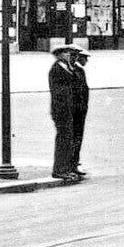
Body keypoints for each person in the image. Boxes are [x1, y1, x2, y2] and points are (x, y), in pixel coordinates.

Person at [48, 45, 82, 182]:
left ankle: (66, 168)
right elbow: (59, 91)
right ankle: (60, 170)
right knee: (64, 138)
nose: (69, 56)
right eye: (67, 53)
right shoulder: (57, 69)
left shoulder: (67, 67)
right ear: (59, 55)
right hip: (61, 109)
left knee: (68, 138)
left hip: (68, 109)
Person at [69, 48, 91, 177]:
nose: (86, 61)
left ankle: (75, 163)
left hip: (81, 110)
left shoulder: (79, 71)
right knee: (74, 137)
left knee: (78, 137)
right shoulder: (74, 71)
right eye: (85, 58)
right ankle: (72, 164)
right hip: (75, 110)